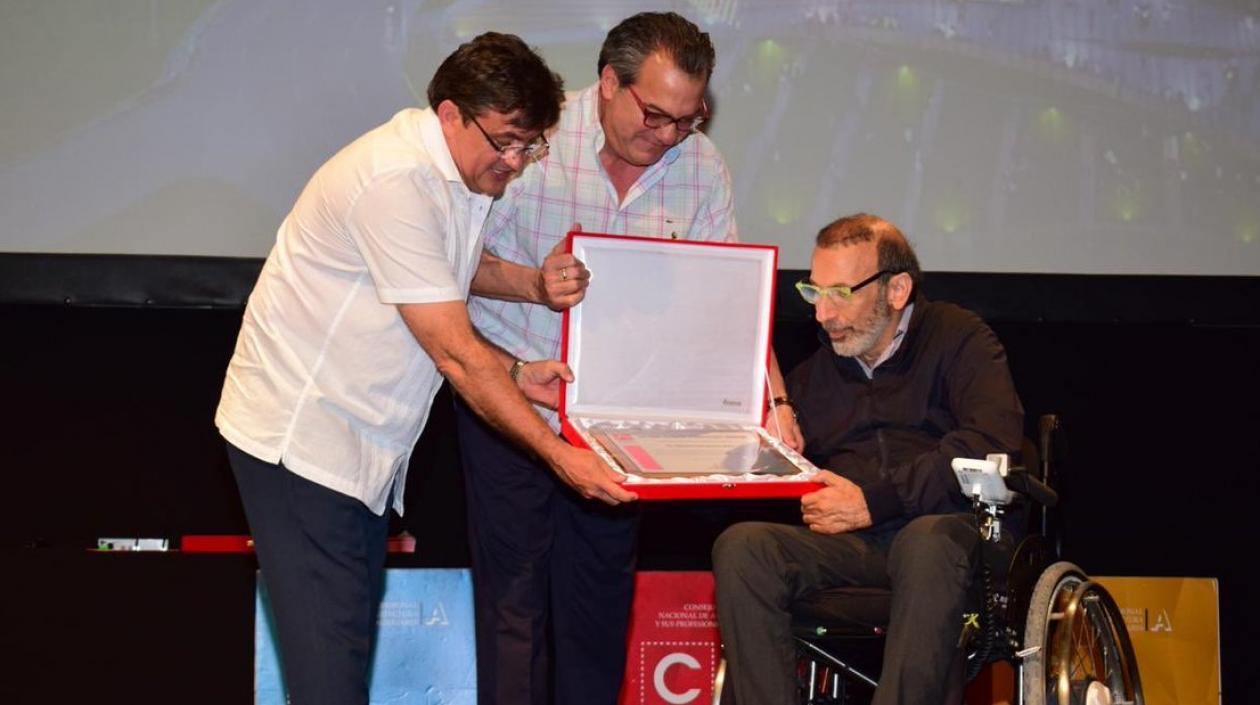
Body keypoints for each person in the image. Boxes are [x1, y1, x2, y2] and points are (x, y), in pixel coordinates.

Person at [214, 33, 634, 705]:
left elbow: (451, 276)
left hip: (358, 449)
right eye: (506, 141)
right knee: (329, 670)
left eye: (531, 145)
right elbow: (454, 351)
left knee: (339, 654)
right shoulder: (395, 180)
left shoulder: (463, 172)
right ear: (450, 115)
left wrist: (521, 354)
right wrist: (560, 455)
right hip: (300, 443)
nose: (517, 162)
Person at [459, 11, 803, 705]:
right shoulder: (536, 139)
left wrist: (776, 402)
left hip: (624, 427)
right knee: (514, 609)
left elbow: (728, 302)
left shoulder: (701, 167)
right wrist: (532, 282)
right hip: (514, 398)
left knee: (598, 609)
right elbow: (449, 267)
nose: (669, 133)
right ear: (609, 83)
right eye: (655, 114)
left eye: (688, 117)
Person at [711, 213, 1025, 705]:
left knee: (926, 541)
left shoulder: (957, 338)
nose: (823, 314)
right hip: (859, 549)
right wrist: (765, 441)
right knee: (745, 547)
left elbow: (989, 442)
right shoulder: (815, 375)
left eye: (840, 293)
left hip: (952, 536)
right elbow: (788, 476)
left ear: (896, 290)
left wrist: (875, 501)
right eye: (814, 293)